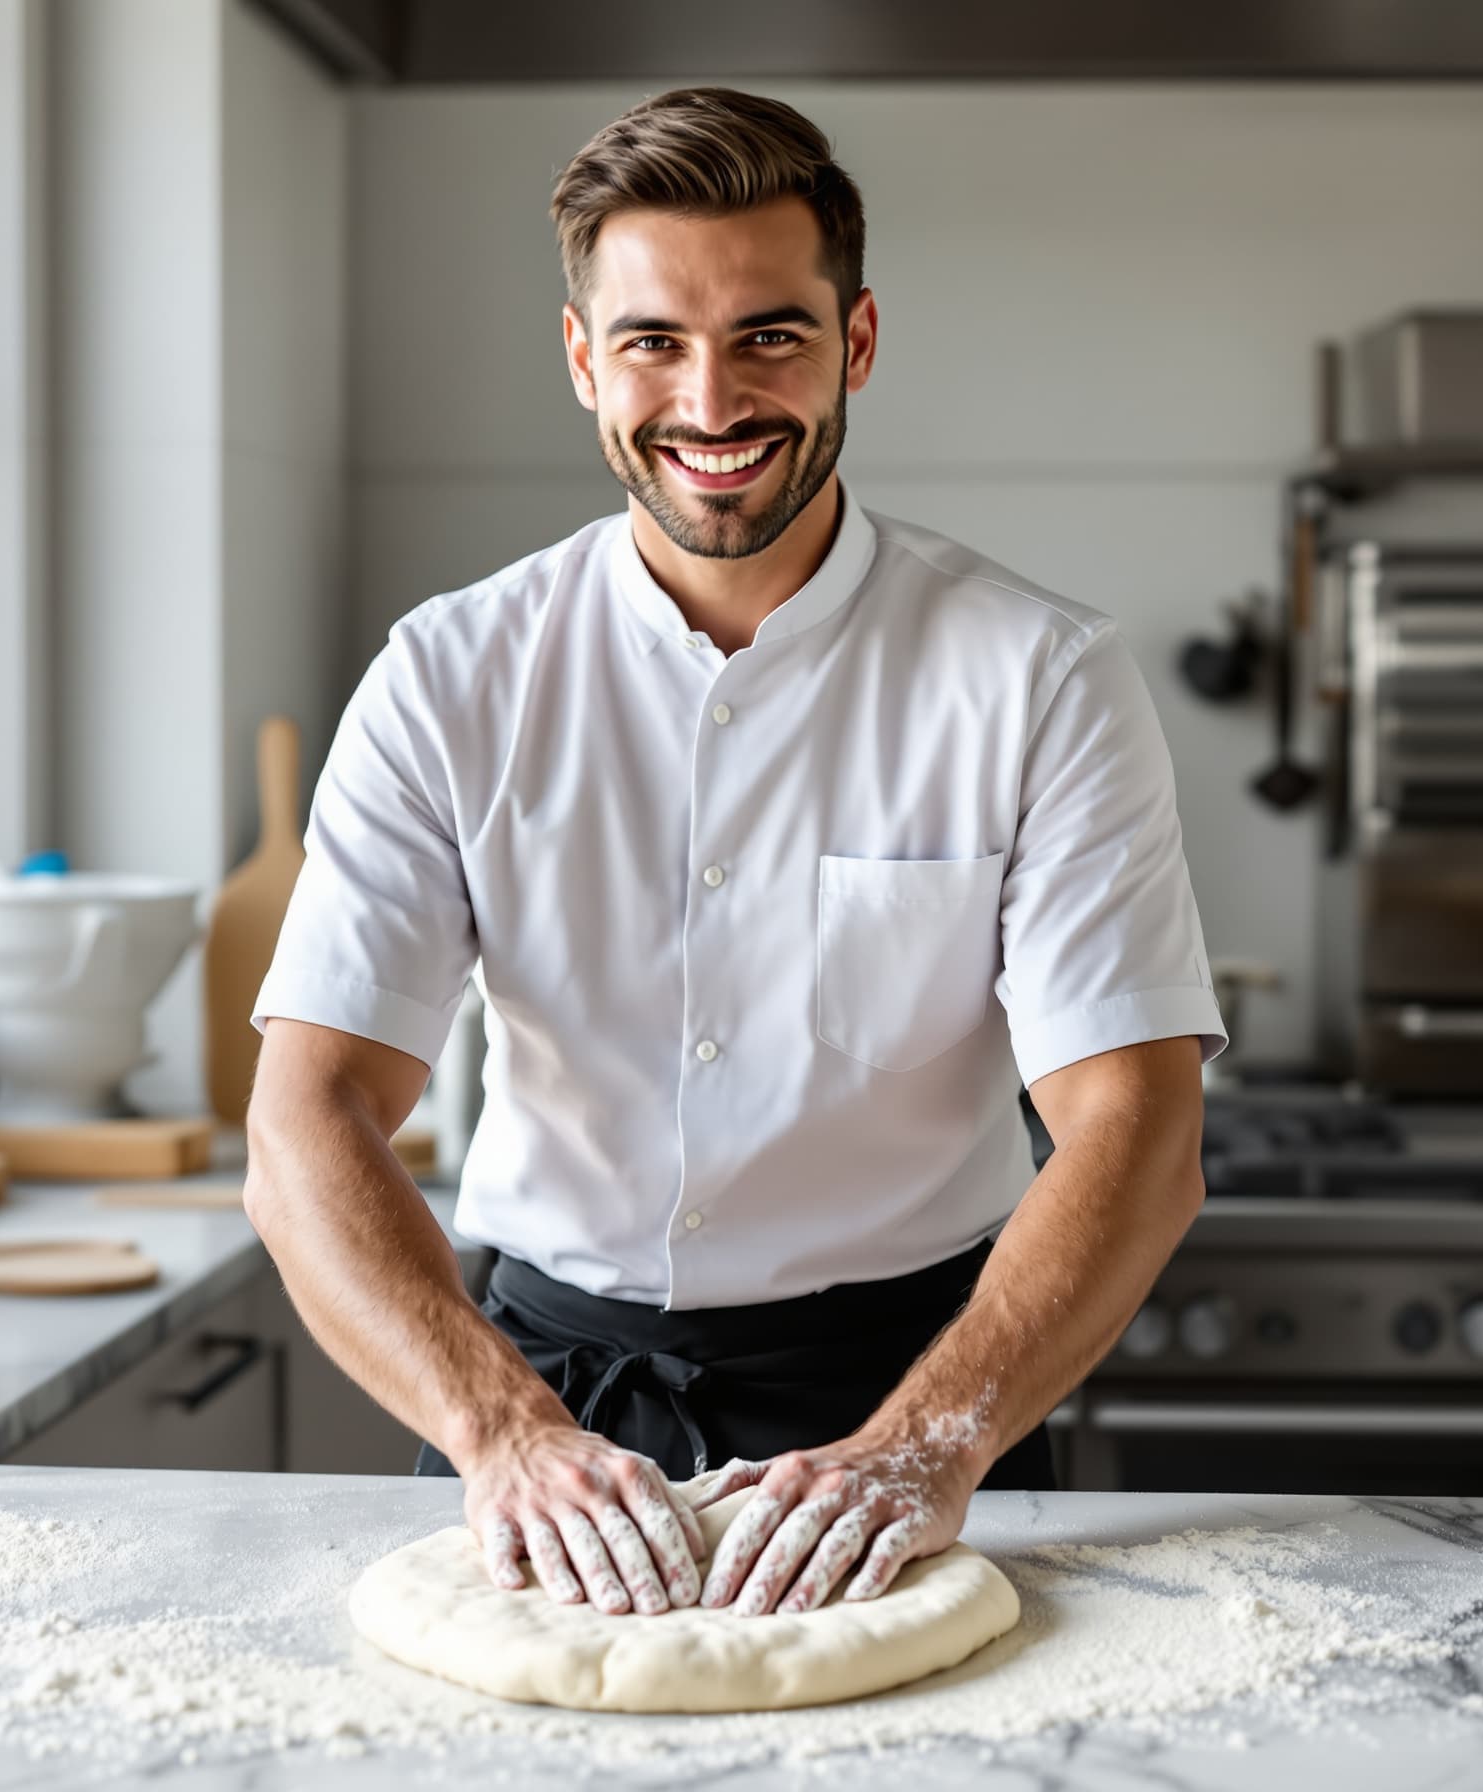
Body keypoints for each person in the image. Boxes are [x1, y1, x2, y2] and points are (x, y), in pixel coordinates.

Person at [243, 87, 1223, 1623]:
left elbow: (1138, 1129)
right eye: (653, 343)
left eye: (770, 334)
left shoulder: (1037, 676)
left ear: (860, 342)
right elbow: (307, 1119)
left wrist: (920, 1449)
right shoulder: (450, 676)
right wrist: (500, 1433)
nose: (711, 400)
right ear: (584, 360)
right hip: (536, 1407)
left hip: (920, 1399)